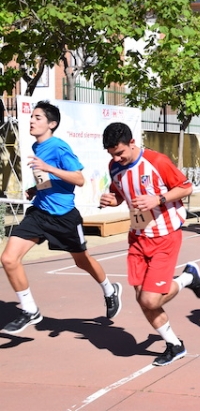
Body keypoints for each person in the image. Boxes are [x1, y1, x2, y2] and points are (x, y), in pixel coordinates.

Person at [1, 101, 122, 335]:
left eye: (37, 117)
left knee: (81, 261)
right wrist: (37, 190)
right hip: (39, 213)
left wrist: (49, 167)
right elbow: (49, 180)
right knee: (8, 259)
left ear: (51, 124)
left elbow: (78, 179)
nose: (32, 121)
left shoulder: (58, 147)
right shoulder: (38, 147)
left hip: (64, 217)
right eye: (32, 117)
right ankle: (29, 310)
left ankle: (109, 290)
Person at [100, 122, 200, 366]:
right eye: (112, 154)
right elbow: (119, 192)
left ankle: (187, 278)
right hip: (137, 237)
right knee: (141, 298)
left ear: (132, 143)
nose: (117, 158)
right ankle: (174, 345)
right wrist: (112, 199)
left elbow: (186, 187)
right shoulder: (114, 167)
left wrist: (157, 199)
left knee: (150, 300)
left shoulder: (156, 162)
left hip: (165, 235)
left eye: (120, 153)